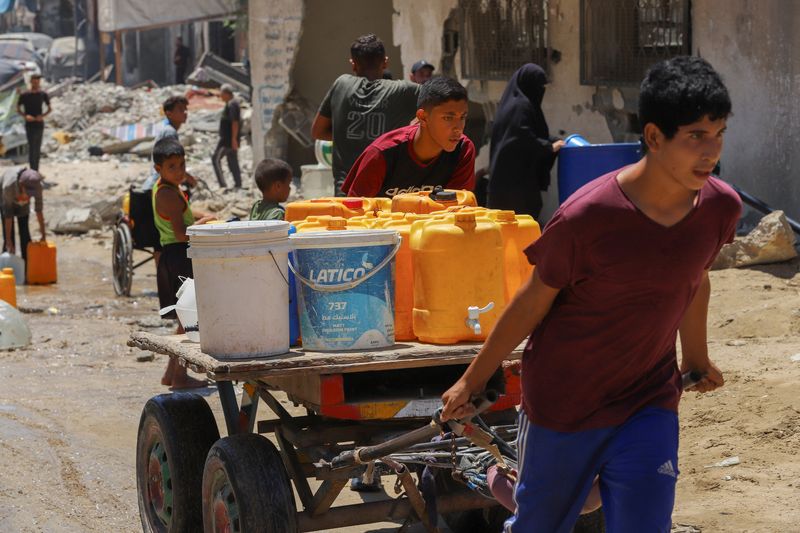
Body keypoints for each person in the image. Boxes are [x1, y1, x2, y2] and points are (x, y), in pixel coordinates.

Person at [441, 56, 741, 532]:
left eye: (719, 133)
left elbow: (694, 279)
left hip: (649, 400)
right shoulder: (588, 216)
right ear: (654, 137)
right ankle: (503, 484)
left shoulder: (720, 207)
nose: (711, 151)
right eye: (696, 137)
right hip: (565, 403)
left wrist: (696, 359)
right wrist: (473, 379)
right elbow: (532, 302)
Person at [311, 33, 419, 196]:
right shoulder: (404, 91)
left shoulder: (342, 84)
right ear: (385, 62)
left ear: (353, 64)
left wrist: (348, 136)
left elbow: (317, 131)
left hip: (347, 193)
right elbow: (439, 102)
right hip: (388, 193)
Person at [341, 76, 475, 198]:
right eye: (448, 118)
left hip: (435, 224)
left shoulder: (463, 149)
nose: (458, 127)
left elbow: (457, 211)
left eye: (462, 117)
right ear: (423, 117)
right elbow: (356, 212)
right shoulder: (382, 153)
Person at [152, 138, 215, 389]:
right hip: (178, 255)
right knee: (187, 320)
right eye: (172, 167)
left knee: (183, 319)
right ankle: (179, 377)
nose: (179, 171)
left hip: (174, 255)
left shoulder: (168, 187)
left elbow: (183, 214)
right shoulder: (167, 193)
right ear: (159, 169)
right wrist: (201, 226)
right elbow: (180, 232)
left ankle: (170, 374)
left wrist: (201, 215)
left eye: (181, 165)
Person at [487, 63, 563, 219]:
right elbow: (521, 139)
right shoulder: (521, 107)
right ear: (529, 85)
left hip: (506, 185)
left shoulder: (513, 105)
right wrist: (549, 147)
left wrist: (552, 141)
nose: (541, 90)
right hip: (516, 189)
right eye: (538, 86)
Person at [143, 95, 197, 190]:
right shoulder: (170, 132)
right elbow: (172, 162)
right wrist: (189, 178)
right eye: (180, 109)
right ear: (169, 114)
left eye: (185, 109)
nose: (185, 112)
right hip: (161, 185)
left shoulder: (168, 130)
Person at [1, 167, 45, 264]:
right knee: (9, 240)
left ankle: (27, 266)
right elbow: (8, 216)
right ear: (21, 185)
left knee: (25, 234)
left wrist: (43, 235)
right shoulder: (8, 187)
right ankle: (6, 268)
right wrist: (8, 241)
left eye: (31, 195)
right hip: (7, 199)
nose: (29, 196)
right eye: (28, 193)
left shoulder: (37, 186)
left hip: (22, 205)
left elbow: (39, 210)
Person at [16, 74, 51, 171]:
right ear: (31, 82)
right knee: (32, 148)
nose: (36, 83)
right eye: (34, 81)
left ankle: (36, 170)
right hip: (29, 124)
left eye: (37, 81)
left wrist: (42, 116)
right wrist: (26, 116)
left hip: (39, 124)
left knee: (37, 148)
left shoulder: (43, 94)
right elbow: (18, 108)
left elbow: (50, 108)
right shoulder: (25, 95)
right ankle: (32, 170)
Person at [212, 84, 242, 189]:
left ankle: (222, 185)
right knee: (232, 160)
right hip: (230, 139)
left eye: (221, 93)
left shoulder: (232, 104)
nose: (220, 95)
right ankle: (238, 184)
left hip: (227, 140)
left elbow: (235, 122)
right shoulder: (231, 103)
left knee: (215, 159)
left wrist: (234, 139)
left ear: (226, 93)